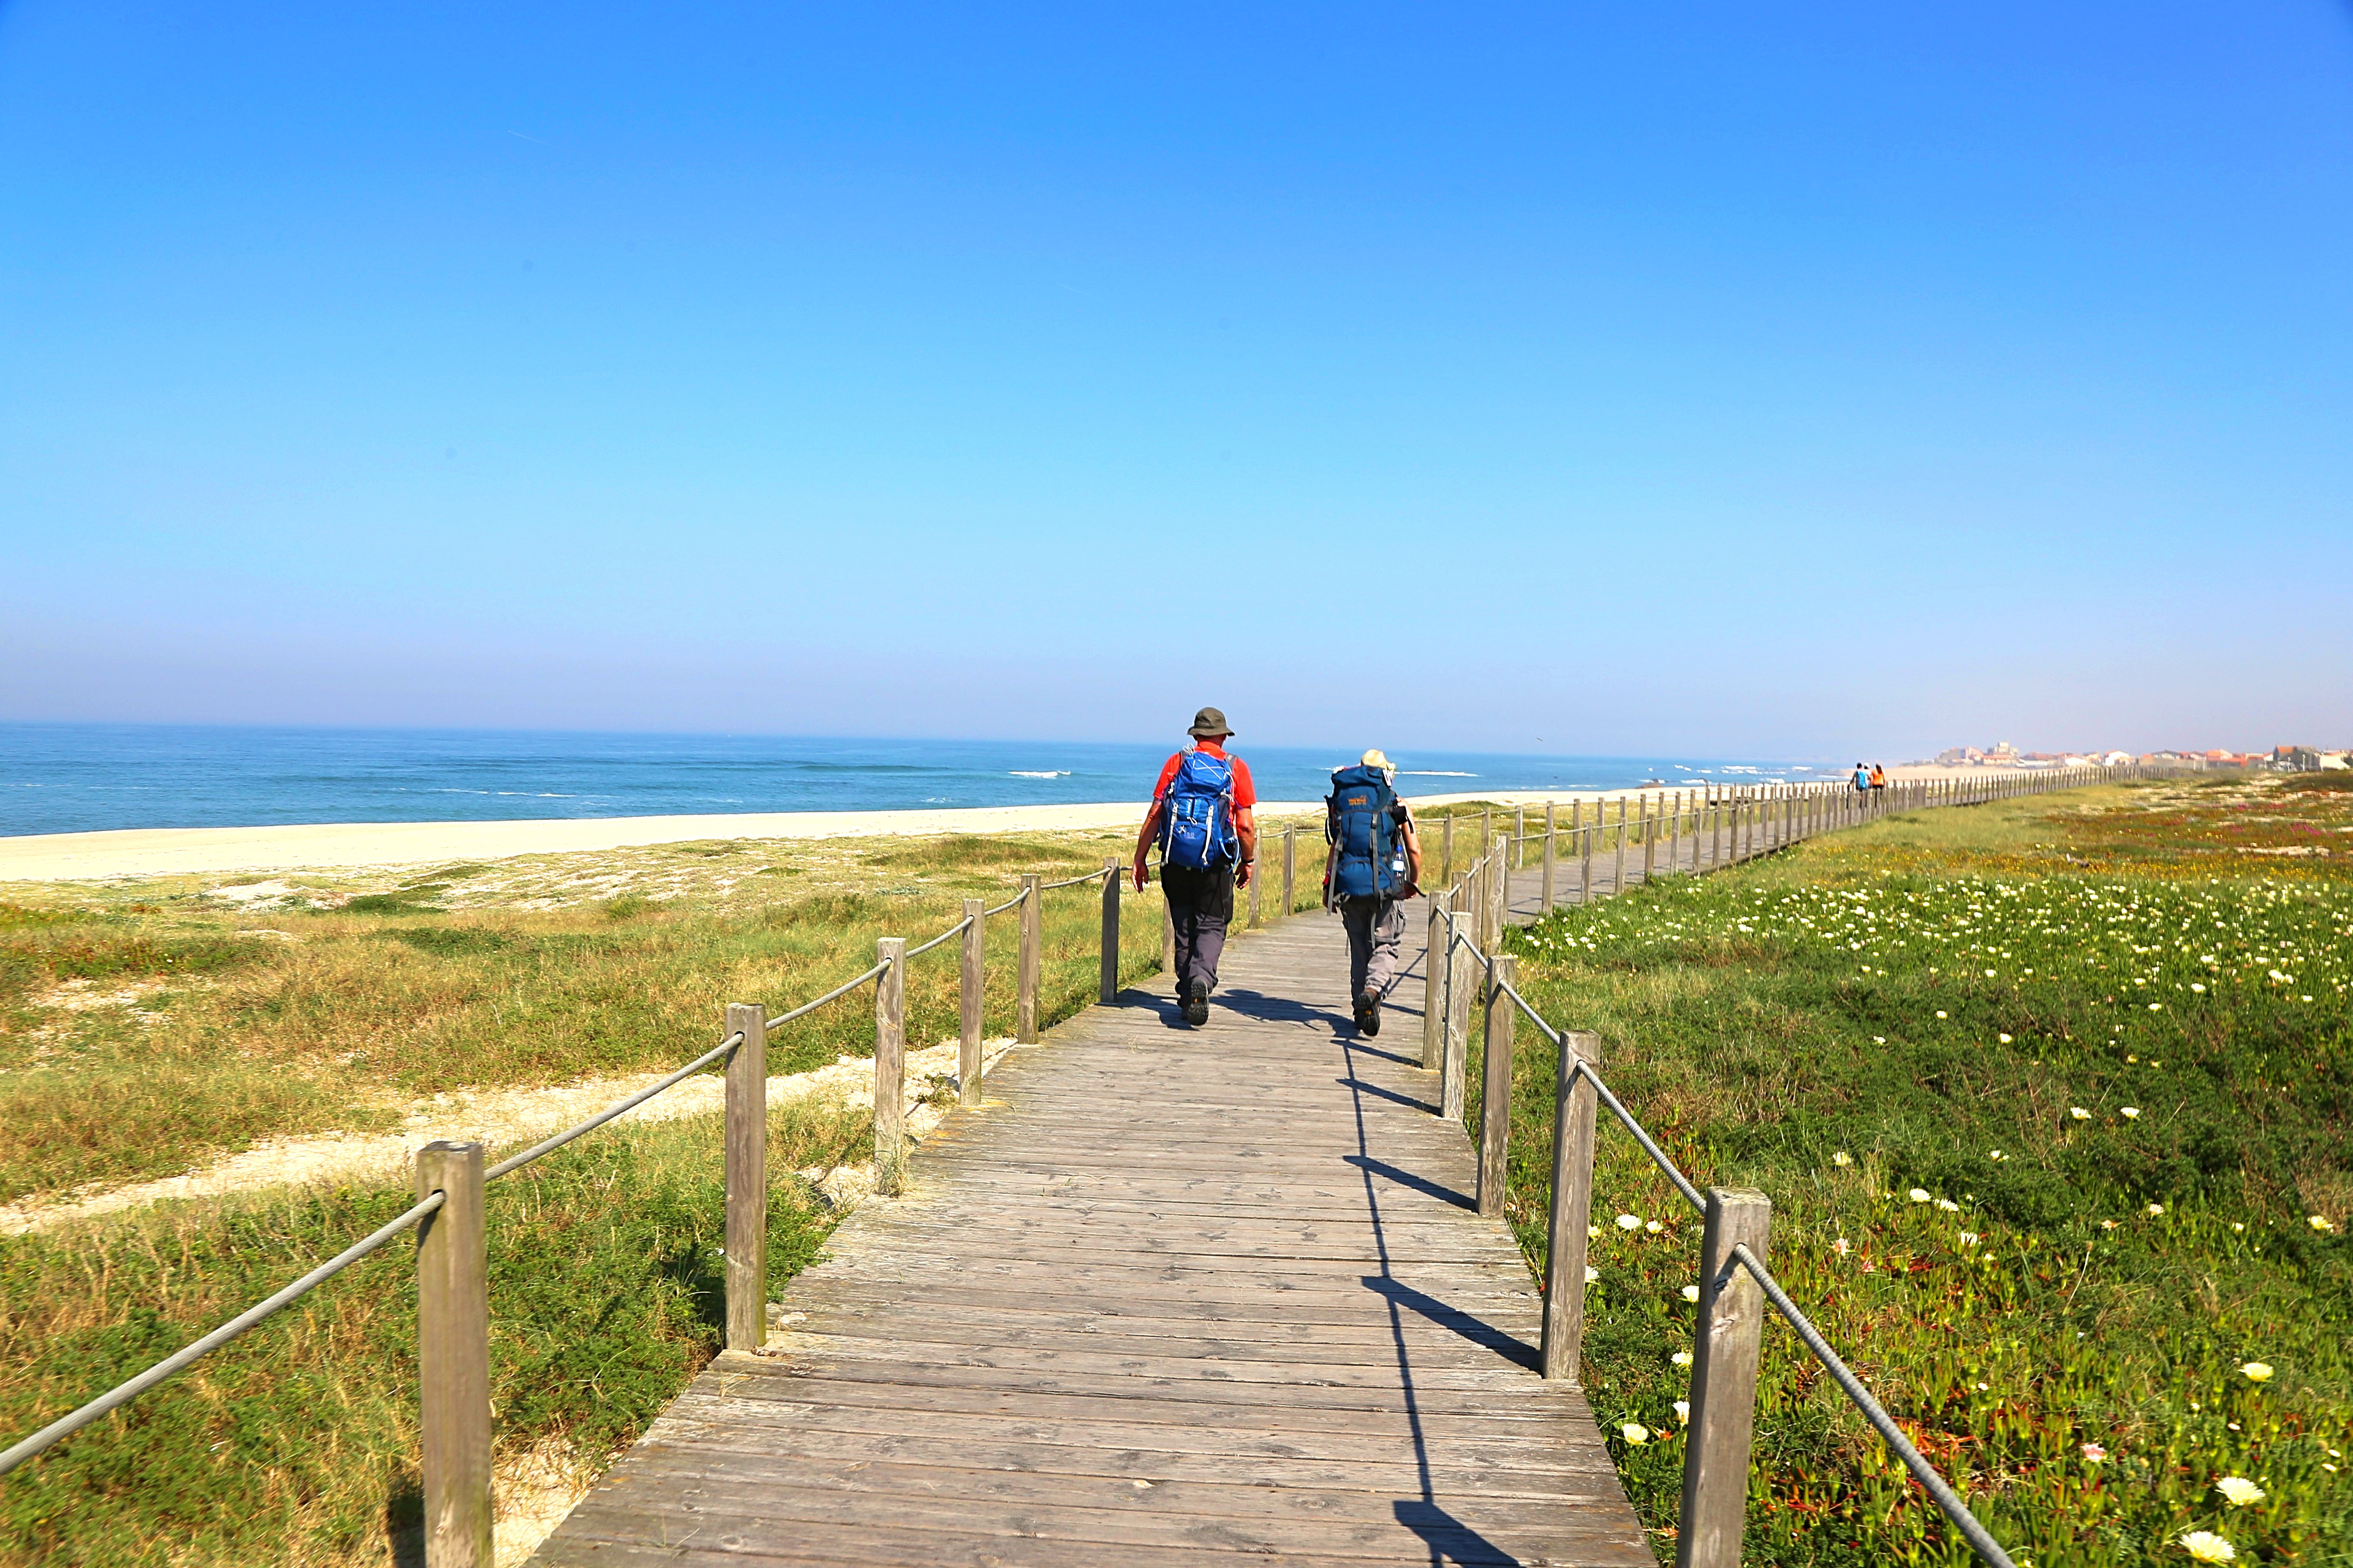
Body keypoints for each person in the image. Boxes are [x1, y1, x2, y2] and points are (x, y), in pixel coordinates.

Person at [1133, 707, 1257, 1027]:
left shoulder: (1177, 763)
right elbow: (1244, 826)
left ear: (1196, 735)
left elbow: (1155, 814)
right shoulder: (1235, 767)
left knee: (1185, 927)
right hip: (1215, 862)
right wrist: (1248, 861)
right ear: (1222, 736)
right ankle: (1201, 979)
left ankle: (1188, 994)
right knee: (1213, 925)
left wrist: (1140, 858)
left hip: (1175, 860)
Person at [1322, 749, 1421, 1036]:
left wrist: (1329, 882)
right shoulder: (1395, 803)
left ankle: (1361, 1009)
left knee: (1359, 947)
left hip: (1348, 884)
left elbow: (1335, 845)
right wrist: (1412, 882)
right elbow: (1413, 848)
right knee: (1387, 944)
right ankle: (1374, 991)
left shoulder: (1343, 800)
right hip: (1384, 886)